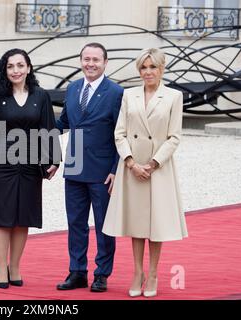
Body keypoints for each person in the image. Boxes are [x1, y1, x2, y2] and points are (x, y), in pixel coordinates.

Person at [103, 48, 188, 298]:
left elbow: (175, 137)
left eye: (152, 67)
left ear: (162, 68)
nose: (148, 72)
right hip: (132, 167)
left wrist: (153, 163)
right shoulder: (129, 95)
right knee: (137, 222)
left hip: (158, 168)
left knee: (156, 224)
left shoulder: (174, 96)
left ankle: (153, 273)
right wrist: (130, 162)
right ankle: (137, 271)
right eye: (143, 67)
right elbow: (119, 132)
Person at [0, 48, 61, 289]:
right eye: (10, 66)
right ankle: (0, 267)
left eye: (20, 65)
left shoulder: (41, 95)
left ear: (28, 68)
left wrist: (54, 159)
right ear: (5, 70)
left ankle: (14, 266)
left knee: (22, 217)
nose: (16, 70)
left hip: (30, 164)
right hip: (1, 163)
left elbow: (48, 127)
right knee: (2, 217)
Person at [56, 43, 124, 292]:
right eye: (86, 59)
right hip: (74, 165)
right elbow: (62, 123)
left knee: (104, 224)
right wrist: (29, 123)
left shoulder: (116, 92)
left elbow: (122, 134)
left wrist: (116, 169)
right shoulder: (73, 88)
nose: (90, 64)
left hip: (102, 170)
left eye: (96, 59)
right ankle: (77, 271)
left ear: (105, 63)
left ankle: (102, 273)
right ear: (80, 61)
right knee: (75, 223)